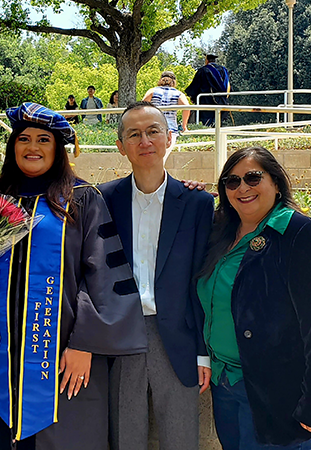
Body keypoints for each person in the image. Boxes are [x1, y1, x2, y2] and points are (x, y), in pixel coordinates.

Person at [0, 102, 148, 450]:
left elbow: (103, 275)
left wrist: (84, 343)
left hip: (62, 352)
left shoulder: (81, 198)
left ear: (57, 149)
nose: (32, 147)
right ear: (12, 146)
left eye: (43, 139)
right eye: (24, 139)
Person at [196, 146, 311, 450]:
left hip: (279, 393)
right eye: (231, 182)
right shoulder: (221, 233)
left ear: (277, 183)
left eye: (253, 178)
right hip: (226, 385)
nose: (242, 187)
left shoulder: (300, 234)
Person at [100, 101, 214, 450]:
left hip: (178, 339)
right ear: (121, 147)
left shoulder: (197, 203)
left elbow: (201, 281)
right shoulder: (103, 199)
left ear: (169, 138)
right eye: (134, 134)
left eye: (153, 131)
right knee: (125, 438)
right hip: (122, 338)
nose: (144, 140)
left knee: (181, 439)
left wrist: (202, 351)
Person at [143, 70, 191, 147]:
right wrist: (184, 126)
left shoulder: (152, 91)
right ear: (174, 81)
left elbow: (142, 106)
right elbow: (186, 107)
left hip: (153, 127)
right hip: (171, 129)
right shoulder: (178, 93)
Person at [185, 54, 230, 127]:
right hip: (222, 101)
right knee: (218, 122)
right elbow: (228, 85)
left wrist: (192, 97)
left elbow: (196, 85)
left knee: (206, 122)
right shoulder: (224, 70)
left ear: (207, 60)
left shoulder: (204, 70)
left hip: (206, 100)